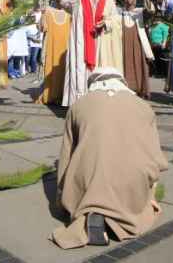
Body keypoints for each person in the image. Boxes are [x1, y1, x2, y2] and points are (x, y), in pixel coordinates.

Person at [51, 68, 166, 249]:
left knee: (88, 173)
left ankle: (94, 211)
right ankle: (124, 209)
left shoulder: (79, 106)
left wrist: (61, 197)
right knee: (138, 192)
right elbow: (154, 157)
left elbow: (66, 156)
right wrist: (150, 195)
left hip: (89, 181)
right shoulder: (144, 106)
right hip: (132, 182)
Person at [62, 0, 123, 106]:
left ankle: (99, 105)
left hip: (102, 44)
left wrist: (106, 23)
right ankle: (80, 104)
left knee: (100, 73)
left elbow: (117, 20)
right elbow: (61, 3)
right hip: (82, 44)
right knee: (82, 73)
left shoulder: (108, 1)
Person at [36, 0, 72, 105]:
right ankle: (50, 95)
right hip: (51, 48)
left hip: (65, 50)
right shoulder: (48, 12)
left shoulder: (70, 14)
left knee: (64, 72)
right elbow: (41, 28)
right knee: (50, 71)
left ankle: (63, 96)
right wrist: (42, 14)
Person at [119, 0, 154, 98]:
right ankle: (126, 89)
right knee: (124, 65)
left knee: (139, 65)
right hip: (123, 44)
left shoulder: (140, 12)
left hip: (138, 43)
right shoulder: (120, 13)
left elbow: (151, 11)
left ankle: (141, 89)